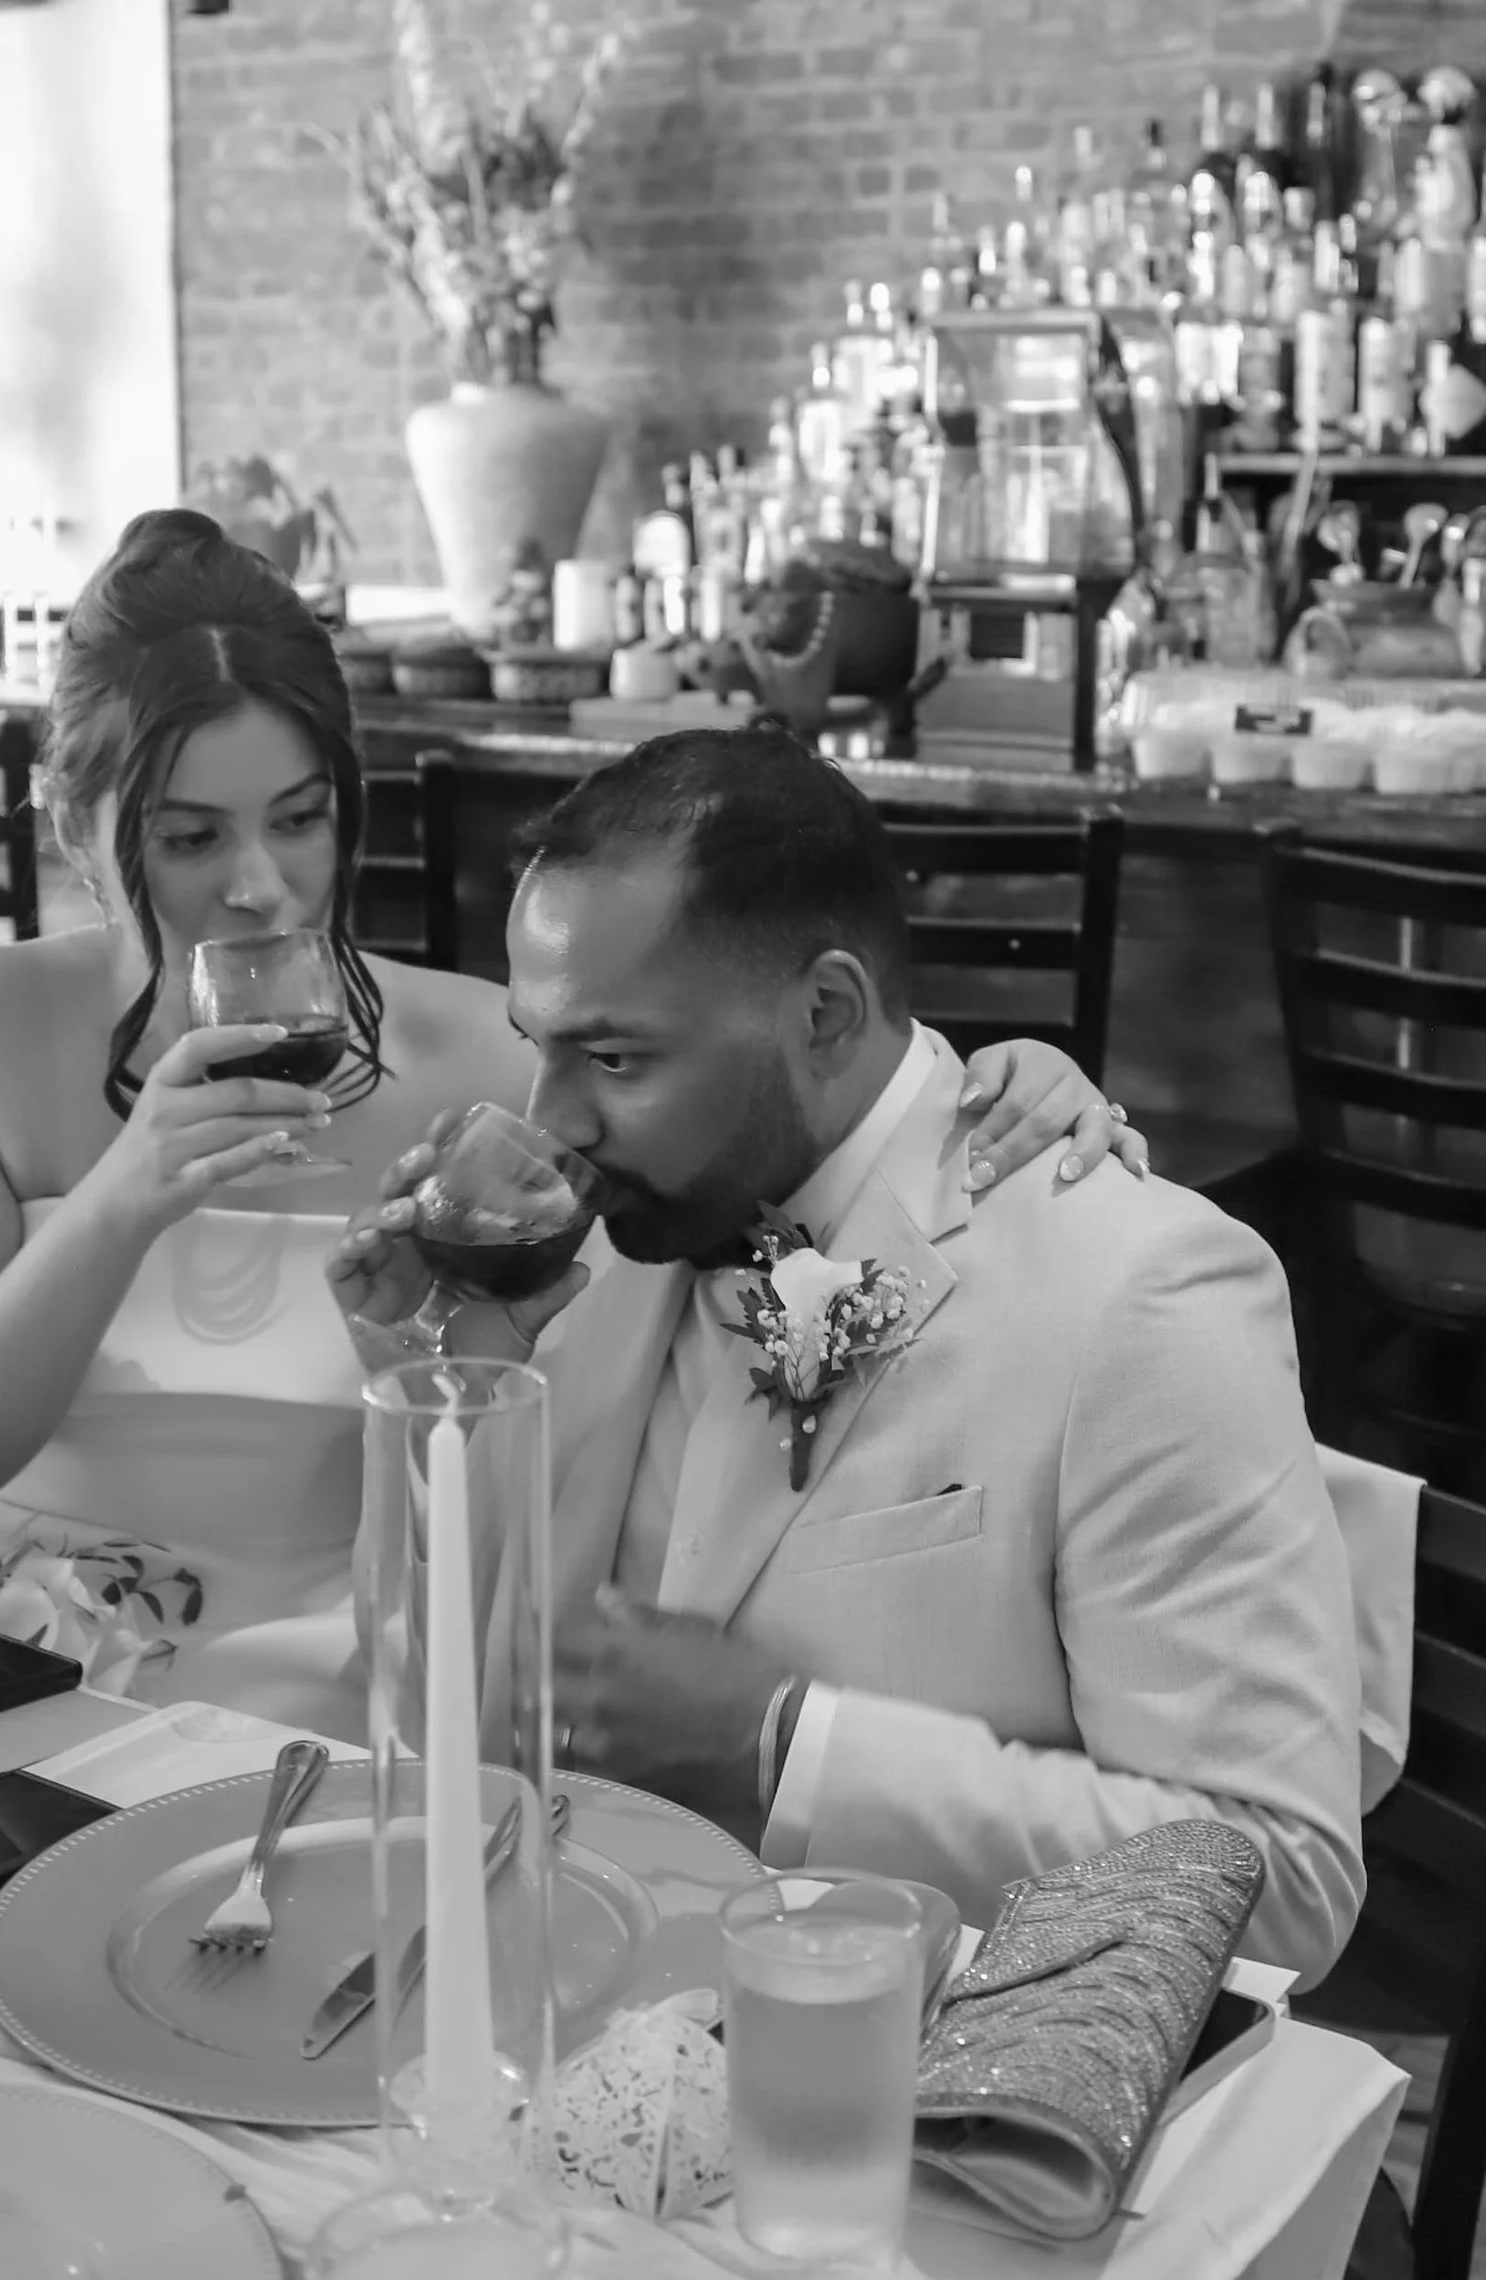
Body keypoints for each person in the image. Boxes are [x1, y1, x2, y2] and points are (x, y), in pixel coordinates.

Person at [0, 510, 1140, 1741]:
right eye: (190, 839)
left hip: (336, 1688)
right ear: (80, 828)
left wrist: (982, 1087)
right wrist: (124, 1198)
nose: (261, 886)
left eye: (301, 820)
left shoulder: (488, 1055)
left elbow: (775, 1143)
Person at [329, 727, 1364, 1981]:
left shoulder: (1134, 1292)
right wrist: (450, 1394)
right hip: (560, 1993)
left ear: (823, 1014)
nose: (553, 1120)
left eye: (612, 1057)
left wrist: (783, 1748)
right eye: (538, 1044)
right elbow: (445, 1725)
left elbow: (1283, 1882)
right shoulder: (589, 1251)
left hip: (928, 2072)